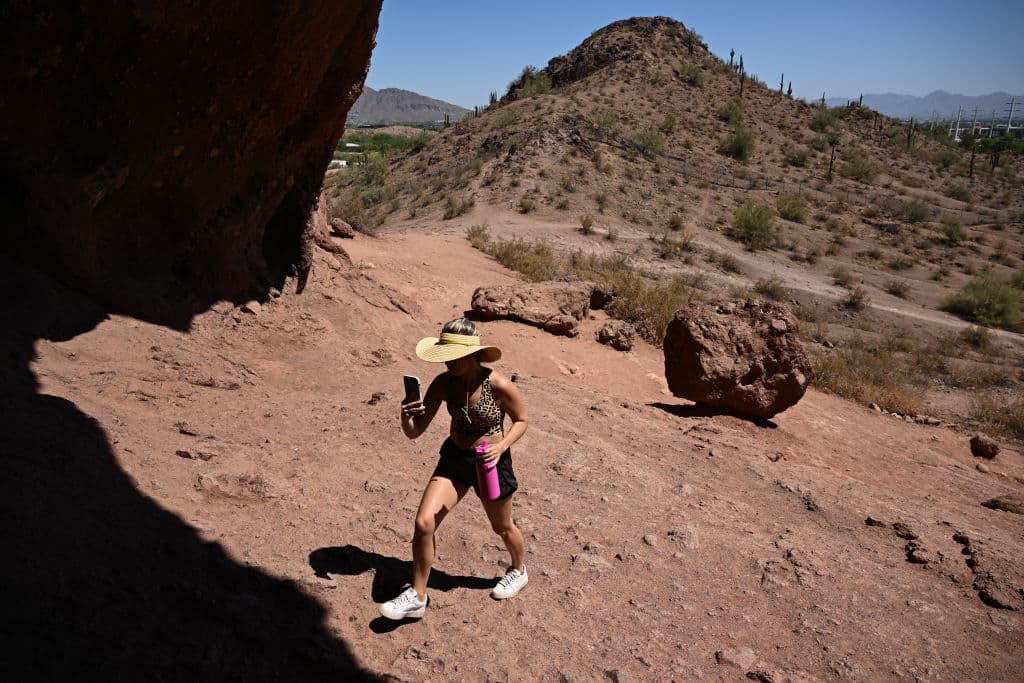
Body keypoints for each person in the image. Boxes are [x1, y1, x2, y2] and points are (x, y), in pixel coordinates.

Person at [379, 318, 529, 620]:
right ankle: (418, 596)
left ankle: (518, 570)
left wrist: (501, 447)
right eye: (445, 355)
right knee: (424, 523)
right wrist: (405, 415)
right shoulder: (444, 383)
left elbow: (522, 419)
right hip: (454, 461)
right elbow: (415, 431)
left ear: (473, 354)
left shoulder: (498, 385)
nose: (449, 362)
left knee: (501, 526)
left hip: (490, 462)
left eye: (455, 356)